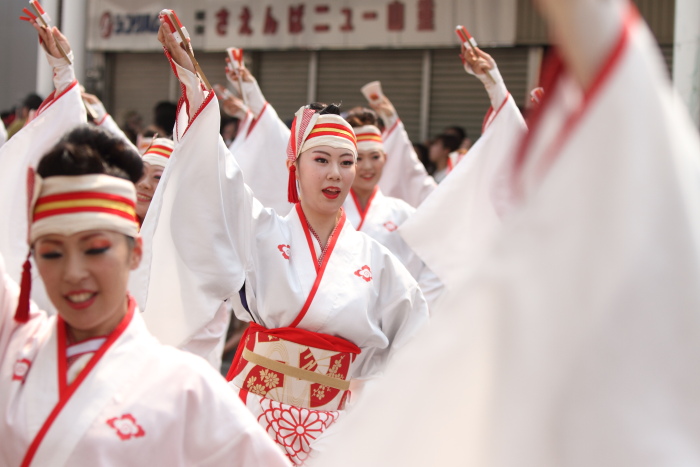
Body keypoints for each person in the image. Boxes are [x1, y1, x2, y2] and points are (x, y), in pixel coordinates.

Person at [134, 20, 429, 465]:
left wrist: (378, 399)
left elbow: (418, 340)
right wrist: (194, 82)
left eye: (346, 162)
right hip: (253, 414)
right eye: (322, 160)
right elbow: (216, 178)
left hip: (336, 423)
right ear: (294, 165)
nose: (336, 173)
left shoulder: (377, 261)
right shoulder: (261, 230)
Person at [0, 124, 288, 466]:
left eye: (95, 250)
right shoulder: (15, 342)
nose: (74, 273)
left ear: (136, 251)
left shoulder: (187, 387)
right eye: (51, 253)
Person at [343, 108, 442, 307]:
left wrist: (416, 308)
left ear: (385, 159)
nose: (368, 167)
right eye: (358, 158)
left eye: (375, 157)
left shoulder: (403, 213)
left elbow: (436, 263)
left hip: (393, 322)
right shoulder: (327, 211)